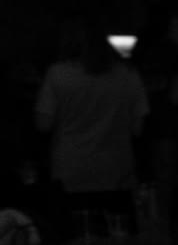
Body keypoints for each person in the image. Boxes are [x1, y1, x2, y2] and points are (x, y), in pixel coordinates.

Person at [34, 19, 147, 202]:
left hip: (70, 169)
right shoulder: (128, 74)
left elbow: (43, 124)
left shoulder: (58, 74)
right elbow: (138, 128)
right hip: (116, 169)